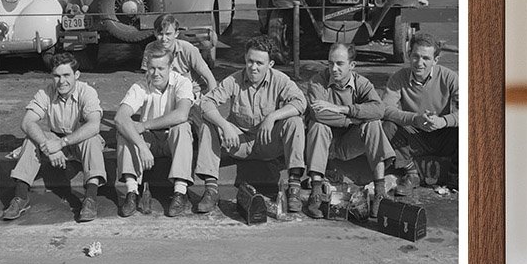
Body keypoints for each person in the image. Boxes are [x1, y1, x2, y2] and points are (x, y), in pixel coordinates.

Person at [193, 35, 306, 216]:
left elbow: (300, 103)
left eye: (260, 63)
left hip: (268, 142)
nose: (253, 67)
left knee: (295, 121)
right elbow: (206, 103)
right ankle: (211, 190)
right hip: (239, 142)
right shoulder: (234, 80)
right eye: (250, 61)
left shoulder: (281, 80)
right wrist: (225, 125)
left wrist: (273, 117)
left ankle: (293, 189)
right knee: (209, 123)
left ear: (270, 64)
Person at [2, 52, 107, 223]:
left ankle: (90, 198)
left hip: (78, 140)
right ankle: (21, 197)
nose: (61, 81)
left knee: (92, 138)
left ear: (76, 75)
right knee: (31, 138)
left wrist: (61, 143)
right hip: (54, 140)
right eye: (57, 76)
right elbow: (27, 122)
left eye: (66, 75)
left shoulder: (87, 91)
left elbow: (94, 124)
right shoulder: (46, 92)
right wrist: (47, 145)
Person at [305, 43, 396, 219]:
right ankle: (316, 192)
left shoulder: (362, 84)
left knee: (373, 124)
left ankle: (379, 192)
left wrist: (341, 109)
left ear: (352, 65)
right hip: (326, 144)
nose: (334, 68)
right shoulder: (318, 81)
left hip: (349, 144)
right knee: (318, 126)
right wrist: (353, 120)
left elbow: (379, 109)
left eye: (340, 63)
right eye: (330, 63)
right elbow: (318, 114)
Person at [114, 43, 195, 217]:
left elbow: (181, 114)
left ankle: (180, 192)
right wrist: (142, 147)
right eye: (151, 68)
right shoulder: (140, 86)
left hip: (171, 137)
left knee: (183, 127)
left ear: (170, 67)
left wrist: (144, 125)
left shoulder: (182, 82)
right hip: (149, 142)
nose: (155, 73)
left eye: (161, 68)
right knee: (125, 130)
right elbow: (120, 118)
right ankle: (131, 192)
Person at [381, 32, 458, 183]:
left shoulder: (449, 77)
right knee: (387, 126)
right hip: (414, 136)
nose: (419, 63)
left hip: (443, 136)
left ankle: (455, 173)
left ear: (435, 60)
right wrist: (415, 118)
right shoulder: (398, 78)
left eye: (426, 58)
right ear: (409, 55)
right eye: (415, 56)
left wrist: (443, 121)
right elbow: (385, 109)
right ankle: (410, 171)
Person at [140, 13, 216, 93]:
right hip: (167, 92)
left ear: (176, 34)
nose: (164, 38)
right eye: (160, 34)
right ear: (155, 33)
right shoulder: (150, 48)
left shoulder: (188, 49)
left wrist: (210, 101)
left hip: (192, 91)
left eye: (168, 34)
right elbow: (148, 77)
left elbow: (209, 78)